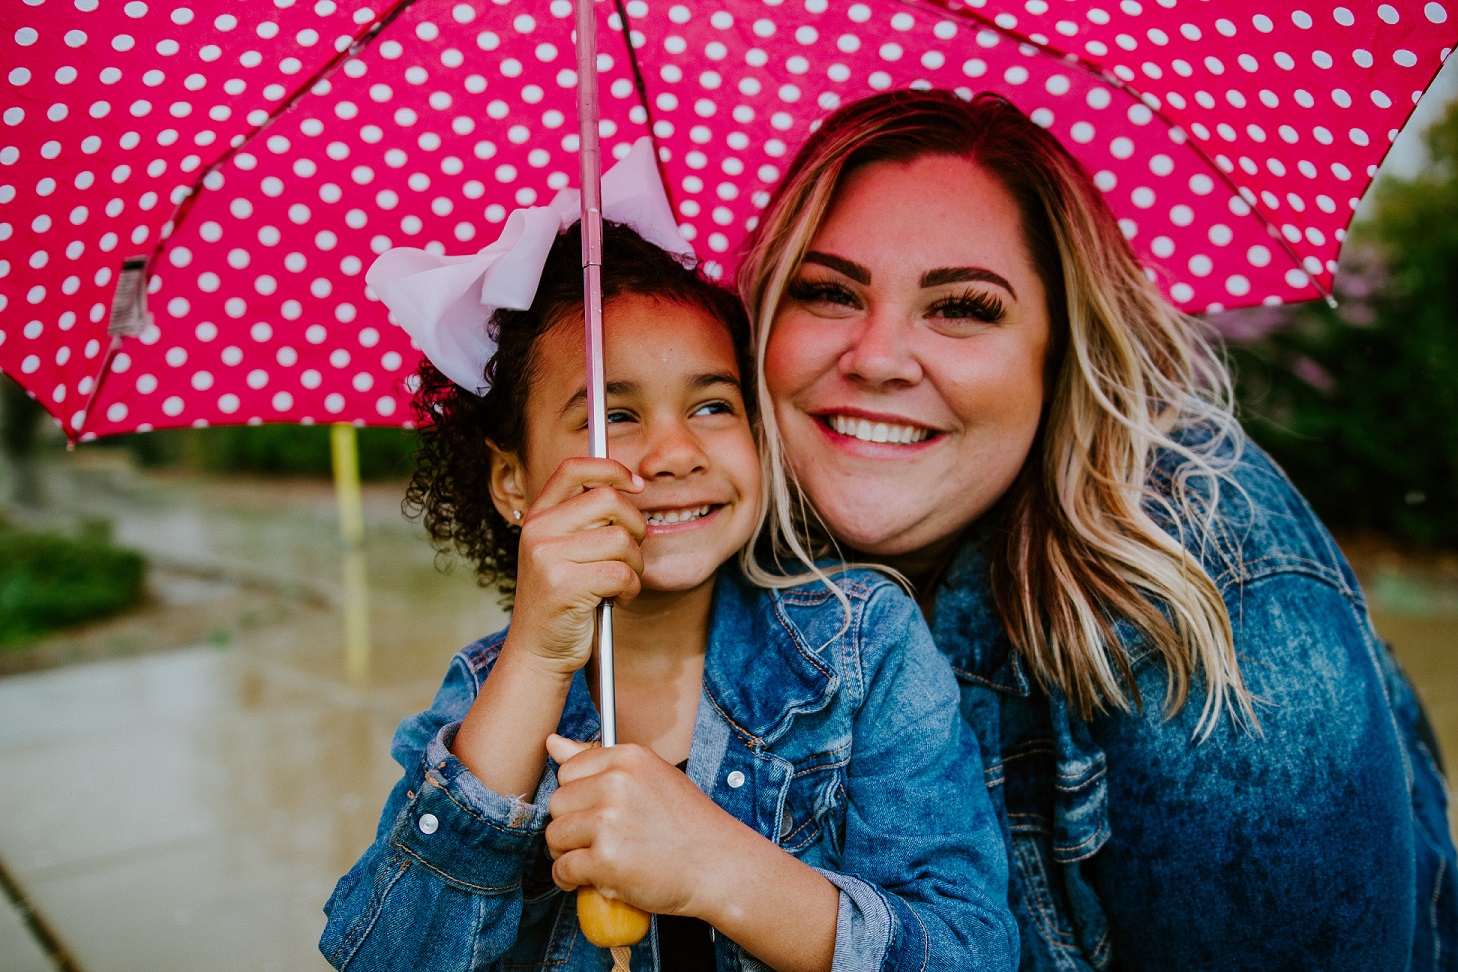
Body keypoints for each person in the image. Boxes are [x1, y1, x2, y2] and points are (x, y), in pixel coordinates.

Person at [738, 89, 1457, 970]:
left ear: (1059, 347)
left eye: (963, 306)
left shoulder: (1211, 609)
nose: (878, 357)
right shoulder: (714, 557)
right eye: (826, 292)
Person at [320, 142, 1018, 972]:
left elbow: (970, 948)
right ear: (511, 482)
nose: (677, 452)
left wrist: (718, 870)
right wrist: (540, 662)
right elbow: (389, 956)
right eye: (613, 417)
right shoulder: (482, 695)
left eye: (713, 404)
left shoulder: (862, 645)